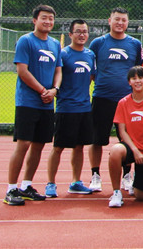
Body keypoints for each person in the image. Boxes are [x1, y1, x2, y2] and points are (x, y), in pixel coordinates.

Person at [4, 5, 62, 206]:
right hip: (28, 102)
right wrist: (42, 90)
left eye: (51, 18)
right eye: (44, 18)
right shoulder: (26, 41)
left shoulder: (55, 44)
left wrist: (54, 90)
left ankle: (26, 185)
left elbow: (58, 70)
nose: (48, 21)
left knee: (39, 145)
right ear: (35, 20)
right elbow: (22, 70)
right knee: (24, 144)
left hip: (47, 104)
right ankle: (11, 189)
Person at [88, 7, 143, 192]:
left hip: (127, 101)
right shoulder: (98, 43)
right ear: (109, 21)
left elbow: (138, 71)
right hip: (102, 97)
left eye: (123, 20)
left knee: (127, 139)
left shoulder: (135, 44)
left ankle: (127, 175)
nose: (120, 23)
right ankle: (95, 175)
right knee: (97, 139)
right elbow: (91, 71)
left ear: (128, 23)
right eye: (117, 19)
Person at [45, 19, 95, 198]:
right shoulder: (63, 54)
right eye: (78, 32)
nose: (82, 35)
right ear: (70, 34)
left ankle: (76, 182)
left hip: (84, 108)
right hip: (66, 108)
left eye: (85, 32)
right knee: (58, 147)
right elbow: (55, 77)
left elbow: (91, 77)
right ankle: (51, 183)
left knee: (79, 147)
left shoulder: (90, 55)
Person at [107, 66, 143, 208]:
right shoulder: (123, 103)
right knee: (115, 151)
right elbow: (122, 131)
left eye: (141, 78)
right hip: (132, 148)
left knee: (141, 196)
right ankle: (116, 192)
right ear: (129, 82)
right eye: (134, 78)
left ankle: (139, 181)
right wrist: (135, 150)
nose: (137, 81)